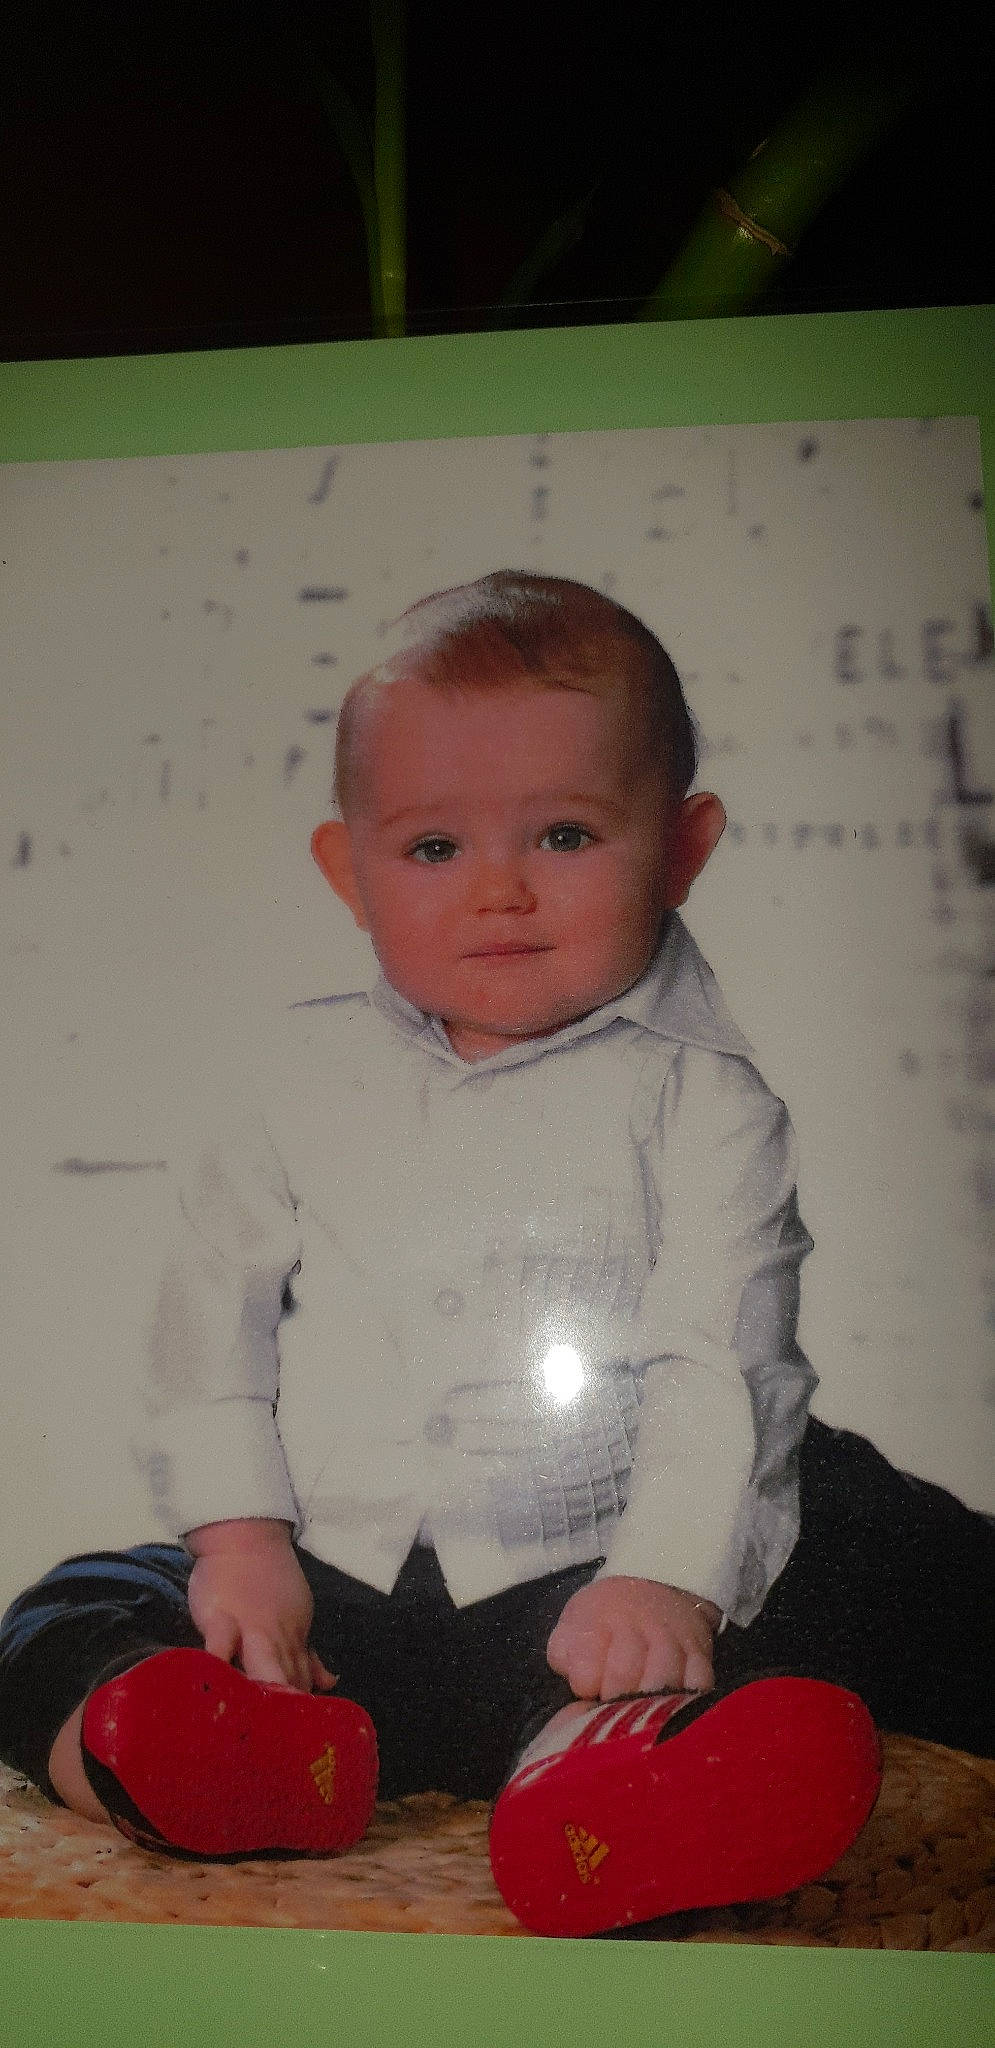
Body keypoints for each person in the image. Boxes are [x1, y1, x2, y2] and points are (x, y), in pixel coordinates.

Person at [1, 572, 991, 1937]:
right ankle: (176, 1751)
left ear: (685, 847)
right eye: (432, 851)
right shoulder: (295, 1077)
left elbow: (722, 1357)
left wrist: (661, 1576)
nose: (503, 892)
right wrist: (239, 1544)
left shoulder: (705, 1101)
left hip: (584, 1577)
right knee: (72, 1605)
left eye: (569, 832)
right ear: (348, 871)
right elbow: (207, 1320)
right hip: (328, 1591)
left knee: (762, 1621)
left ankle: (602, 1793)